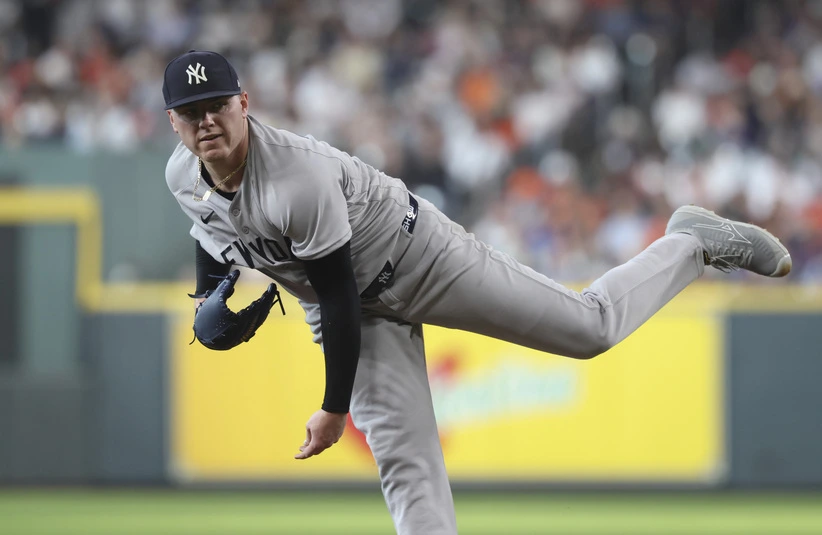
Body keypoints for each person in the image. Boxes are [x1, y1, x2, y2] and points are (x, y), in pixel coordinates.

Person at [162, 50, 791, 535]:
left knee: (589, 328)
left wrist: (334, 407)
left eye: (218, 103)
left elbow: (337, 294)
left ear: (245, 102)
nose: (206, 120)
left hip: (418, 259)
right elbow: (212, 230)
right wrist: (207, 294)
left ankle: (692, 243)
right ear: (173, 122)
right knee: (407, 468)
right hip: (346, 305)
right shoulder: (181, 176)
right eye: (191, 112)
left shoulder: (296, 178)